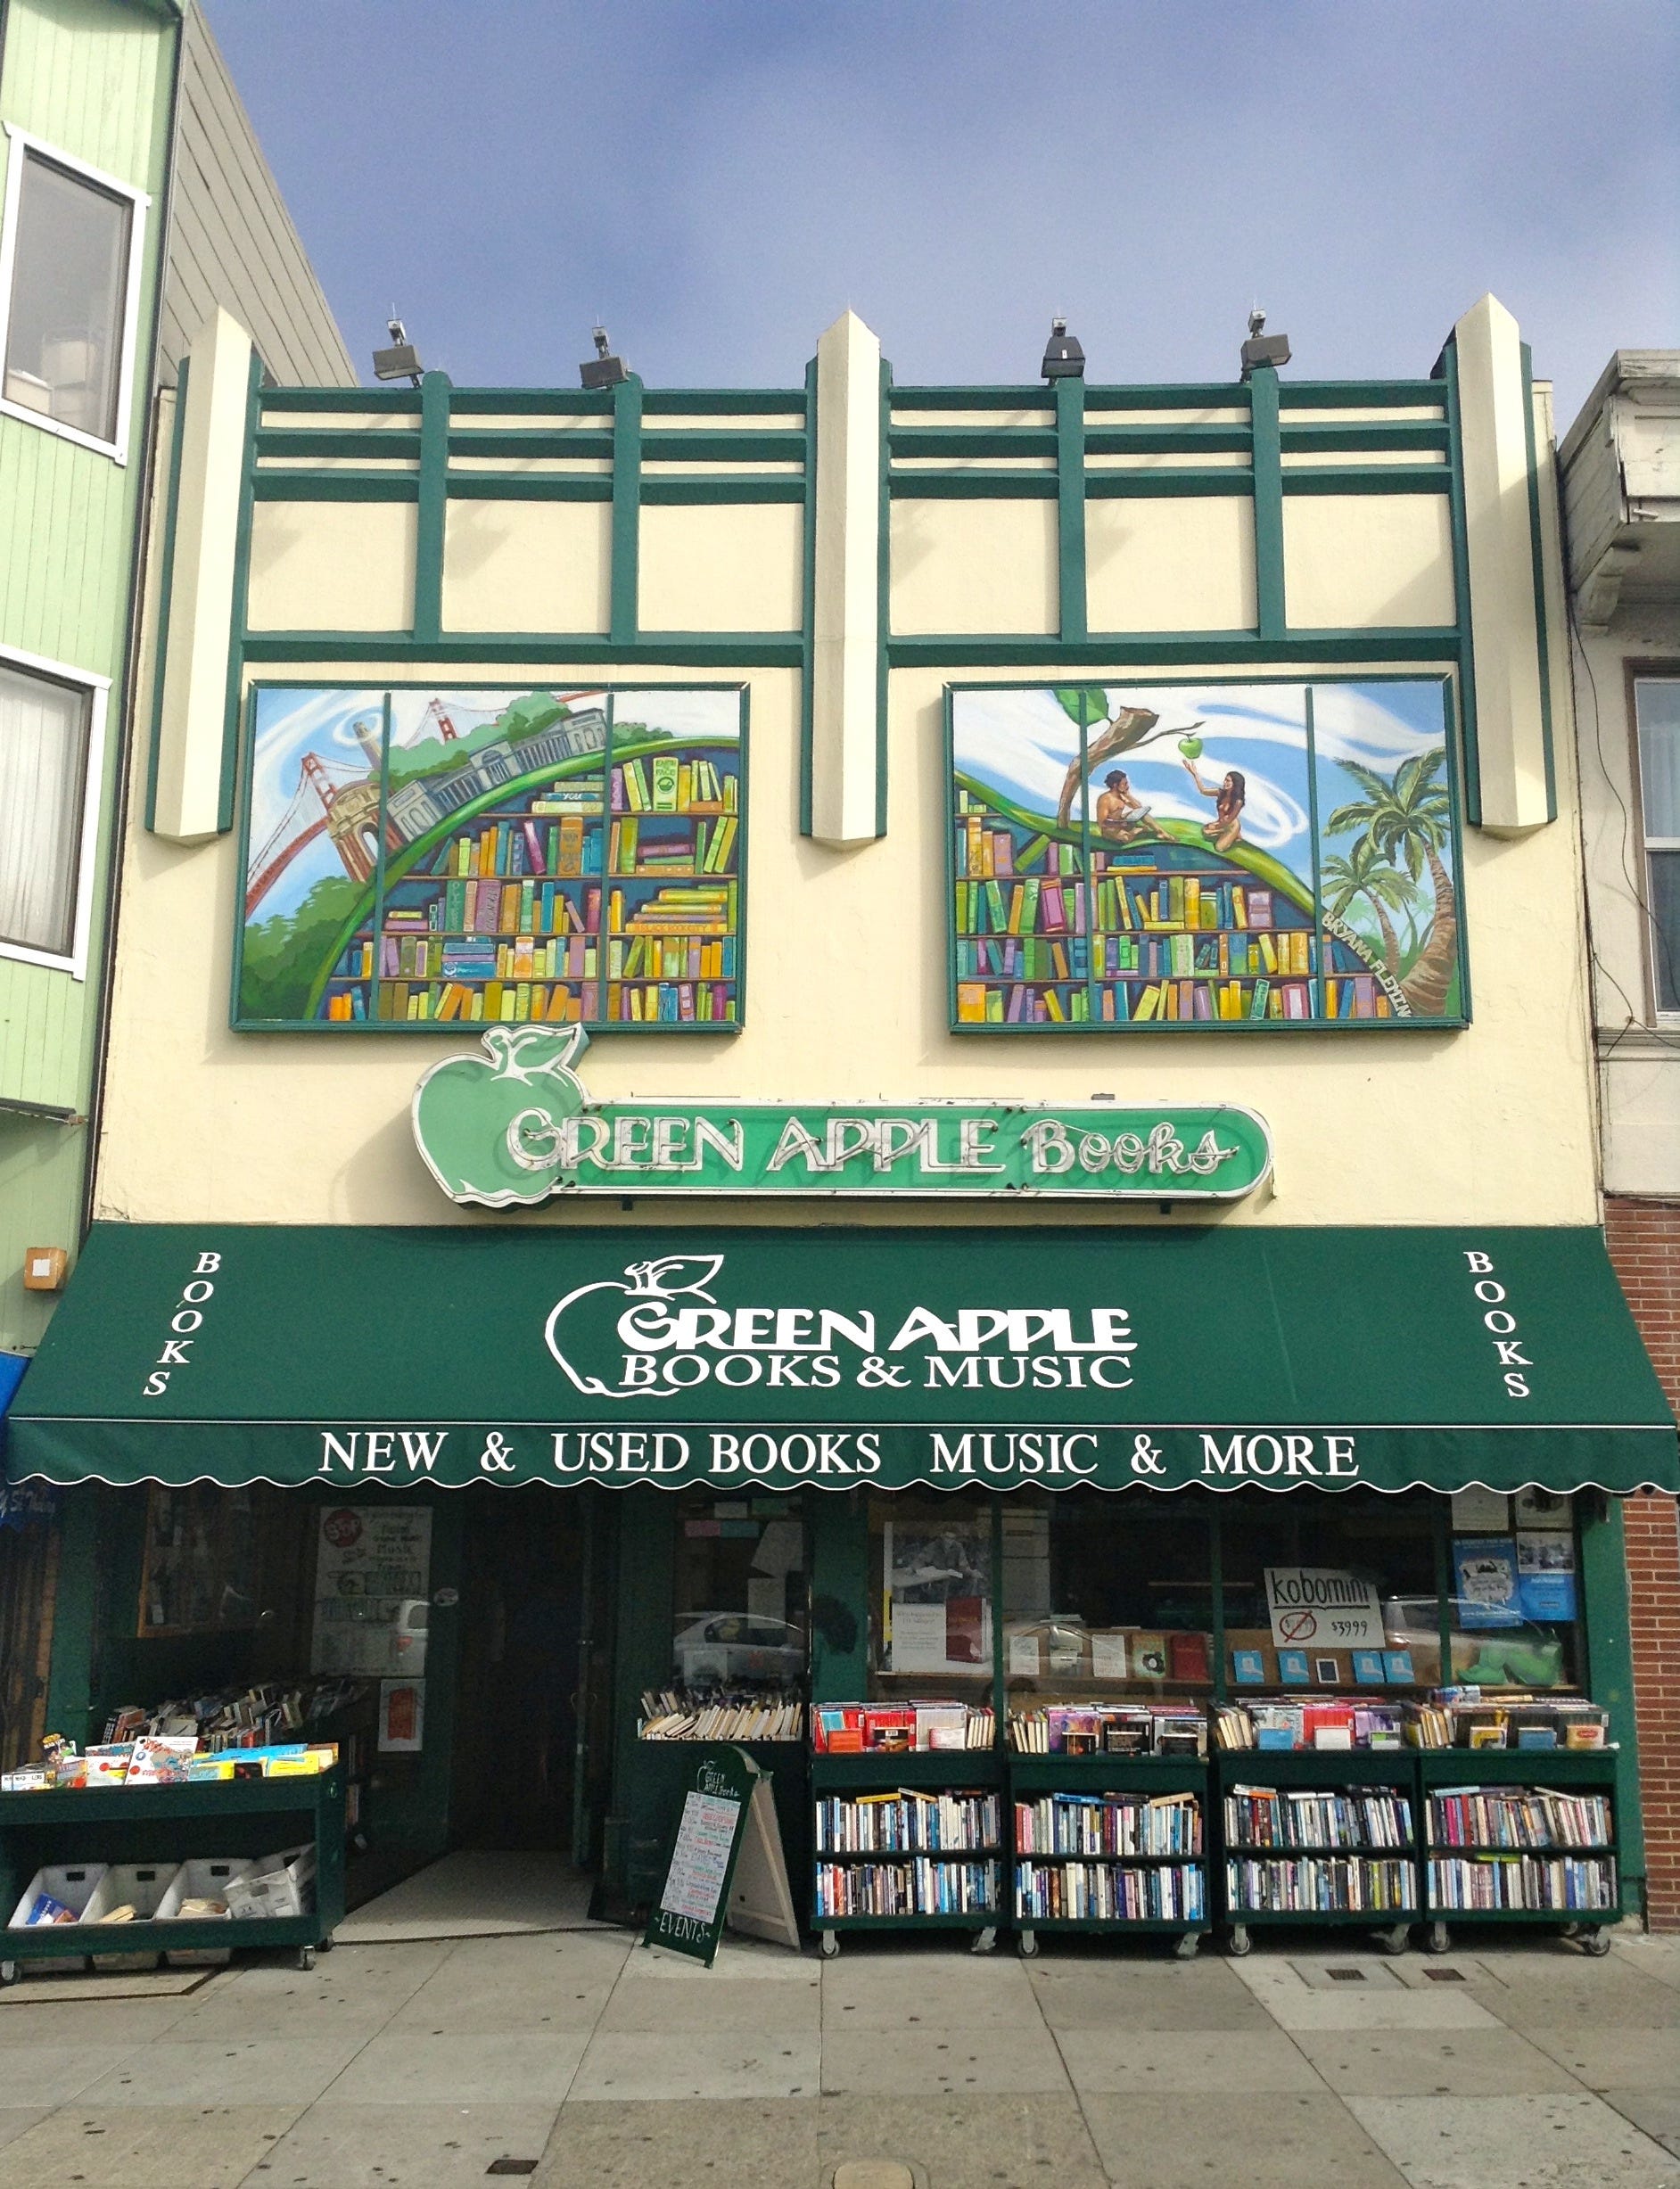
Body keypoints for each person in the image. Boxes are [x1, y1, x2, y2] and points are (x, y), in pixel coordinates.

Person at [1182, 758, 1246, 852]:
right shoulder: (1220, 792)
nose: (1225, 783)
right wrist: (1195, 774)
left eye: (1228, 781)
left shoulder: (1238, 801)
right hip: (1222, 824)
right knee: (1205, 831)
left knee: (1219, 848)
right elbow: (1203, 791)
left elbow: (1229, 820)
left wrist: (1217, 827)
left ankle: (1234, 834)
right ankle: (1229, 835)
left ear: (1235, 784)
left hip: (1231, 825)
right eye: (1225, 780)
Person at [1094, 769, 1149, 843]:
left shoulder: (1121, 796)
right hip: (1109, 829)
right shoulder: (1105, 799)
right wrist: (1120, 823)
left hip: (1121, 824)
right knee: (1126, 838)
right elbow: (1102, 822)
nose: (1127, 786)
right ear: (1115, 785)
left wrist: (1129, 796)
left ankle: (1160, 832)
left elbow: (1138, 807)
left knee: (1143, 813)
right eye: (1125, 784)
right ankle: (1135, 832)